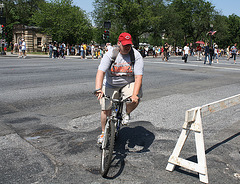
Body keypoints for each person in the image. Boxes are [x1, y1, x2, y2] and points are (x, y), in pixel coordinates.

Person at [94, 32, 144, 144]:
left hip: (128, 83)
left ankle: (127, 113)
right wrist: (98, 89)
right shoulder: (110, 54)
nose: (127, 47)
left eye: (129, 45)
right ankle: (103, 132)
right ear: (118, 43)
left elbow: (138, 77)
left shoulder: (136, 55)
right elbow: (100, 72)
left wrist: (135, 95)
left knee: (135, 98)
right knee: (105, 109)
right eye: (124, 45)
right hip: (110, 84)